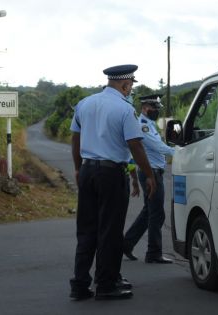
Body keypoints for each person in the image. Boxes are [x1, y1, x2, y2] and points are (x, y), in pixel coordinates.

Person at [69, 64, 157, 301]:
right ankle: (106, 284)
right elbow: (135, 145)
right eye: (130, 86)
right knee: (110, 230)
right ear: (125, 84)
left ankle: (79, 284)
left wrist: (78, 169)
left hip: (87, 170)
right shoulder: (124, 109)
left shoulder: (84, 104)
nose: (130, 91)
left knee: (86, 229)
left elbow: (75, 139)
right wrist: (148, 175)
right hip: (111, 174)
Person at [123, 94, 175, 264]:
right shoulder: (143, 126)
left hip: (151, 172)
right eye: (154, 108)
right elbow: (157, 146)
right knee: (157, 213)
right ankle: (153, 253)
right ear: (145, 108)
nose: (156, 111)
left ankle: (127, 243)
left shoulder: (149, 125)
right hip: (150, 173)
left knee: (149, 212)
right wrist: (181, 152)